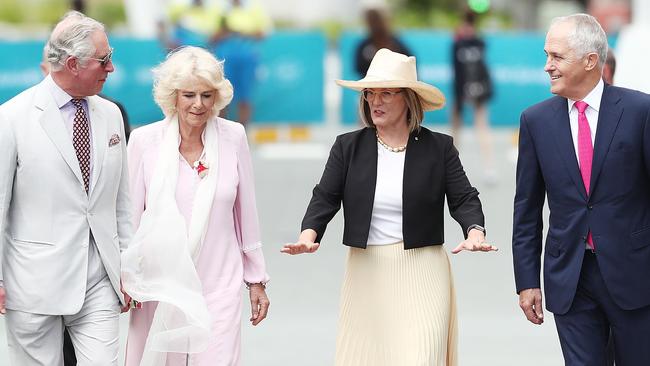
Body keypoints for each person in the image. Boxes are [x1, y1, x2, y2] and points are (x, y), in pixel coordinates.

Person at [282, 48, 496, 366]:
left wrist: (474, 231)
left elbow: (464, 198)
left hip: (424, 272)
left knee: (421, 357)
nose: (375, 101)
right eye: (370, 93)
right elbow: (325, 197)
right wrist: (308, 235)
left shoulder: (440, 147)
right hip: (367, 271)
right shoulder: (348, 147)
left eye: (386, 93)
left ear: (408, 98)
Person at [513, 13, 650, 365]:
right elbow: (526, 209)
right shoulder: (535, 121)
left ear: (590, 60)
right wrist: (527, 281)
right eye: (547, 56)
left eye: (556, 57)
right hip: (570, 279)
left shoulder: (640, 111)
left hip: (635, 275)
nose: (547, 66)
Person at [122, 46, 270, 366]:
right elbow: (130, 216)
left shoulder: (234, 137)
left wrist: (256, 279)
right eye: (189, 94)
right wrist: (128, 275)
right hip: (161, 283)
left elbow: (246, 215)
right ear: (172, 96)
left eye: (206, 94)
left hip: (219, 284)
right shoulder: (145, 141)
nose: (198, 104)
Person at [0, 10, 133, 364]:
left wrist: (129, 267)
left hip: (100, 281)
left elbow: (122, 202)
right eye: (104, 61)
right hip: (33, 283)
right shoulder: (12, 118)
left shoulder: (111, 115)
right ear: (73, 64)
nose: (111, 69)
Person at [451, 9, 495, 184]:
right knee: (456, 130)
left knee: (481, 127)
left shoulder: (463, 43)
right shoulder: (476, 42)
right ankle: (450, 167)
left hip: (475, 89)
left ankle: (489, 168)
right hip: (467, 89)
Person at [213, 0, 272, 126]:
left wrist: (243, 33)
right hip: (225, 60)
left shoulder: (254, 9)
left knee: (245, 97)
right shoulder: (219, 10)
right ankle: (221, 132)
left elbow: (263, 34)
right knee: (221, 95)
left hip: (247, 59)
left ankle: (242, 133)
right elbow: (212, 37)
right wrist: (227, 33)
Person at [354, 8, 411, 77]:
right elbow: (359, 68)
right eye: (371, 20)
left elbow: (409, 65)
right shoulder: (364, 46)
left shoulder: (397, 44)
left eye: (376, 20)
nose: (374, 25)